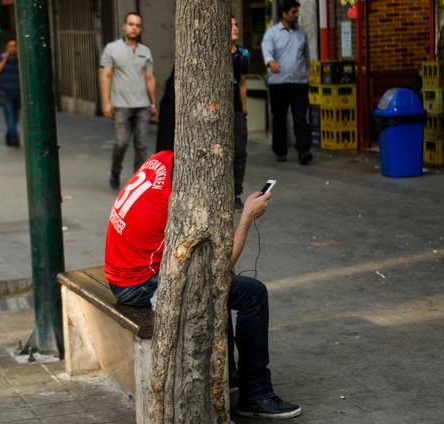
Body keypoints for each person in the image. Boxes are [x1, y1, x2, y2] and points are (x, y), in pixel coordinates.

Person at [104, 150, 303, 419]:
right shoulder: (181, 207)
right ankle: (255, 393)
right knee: (253, 294)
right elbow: (218, 271)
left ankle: (229, 375)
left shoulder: (164, 158)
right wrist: (246, 218)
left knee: (228, 287)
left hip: (122, 269)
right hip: (138, 284)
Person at [100, 12, 158, 190]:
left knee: (141, 146)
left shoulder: (145, 51)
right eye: (131, 24)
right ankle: (115, 171)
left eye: (138, 25)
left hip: (142, 105)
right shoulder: (112, 49)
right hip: (121, 105)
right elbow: (106, 76)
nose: (134, 27)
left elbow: (150, 78)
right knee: (121, 142)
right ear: (125, 26)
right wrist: (106, 102)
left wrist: (153, 103)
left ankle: (137, 182)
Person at [261, 0, 313, 165]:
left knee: (300, 117)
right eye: (293, 12)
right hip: (279, 83)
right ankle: (280, 150)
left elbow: (306, 56)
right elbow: (267, 50)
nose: (296, 15)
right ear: (284, 13)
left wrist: (308, 75)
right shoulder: (272, 33)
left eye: (297, 12)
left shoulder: (301, 33)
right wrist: (270, 62)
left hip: (299, 83)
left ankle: (304, 151)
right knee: (279, 118)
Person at [231, 17, 250, 210]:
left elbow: (243, 83)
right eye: (231, 26)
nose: (235, 28)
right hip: (218, 111)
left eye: (237, 24)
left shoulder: (243, 54)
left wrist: (244, 111)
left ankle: (236, 192)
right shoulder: (215, 53)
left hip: (236, 110)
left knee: (240, 152)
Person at [0, 38, 21, 147]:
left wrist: (17, 58)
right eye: (11, 46)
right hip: (4, 92)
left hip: (17, 93)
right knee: (10, 117)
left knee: (15, 118)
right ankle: (14, 138)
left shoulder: (20, 59)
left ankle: (9, 136)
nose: (13, 48)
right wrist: (5, 59)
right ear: (7, 48)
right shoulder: (0, 58)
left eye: (15, 46)